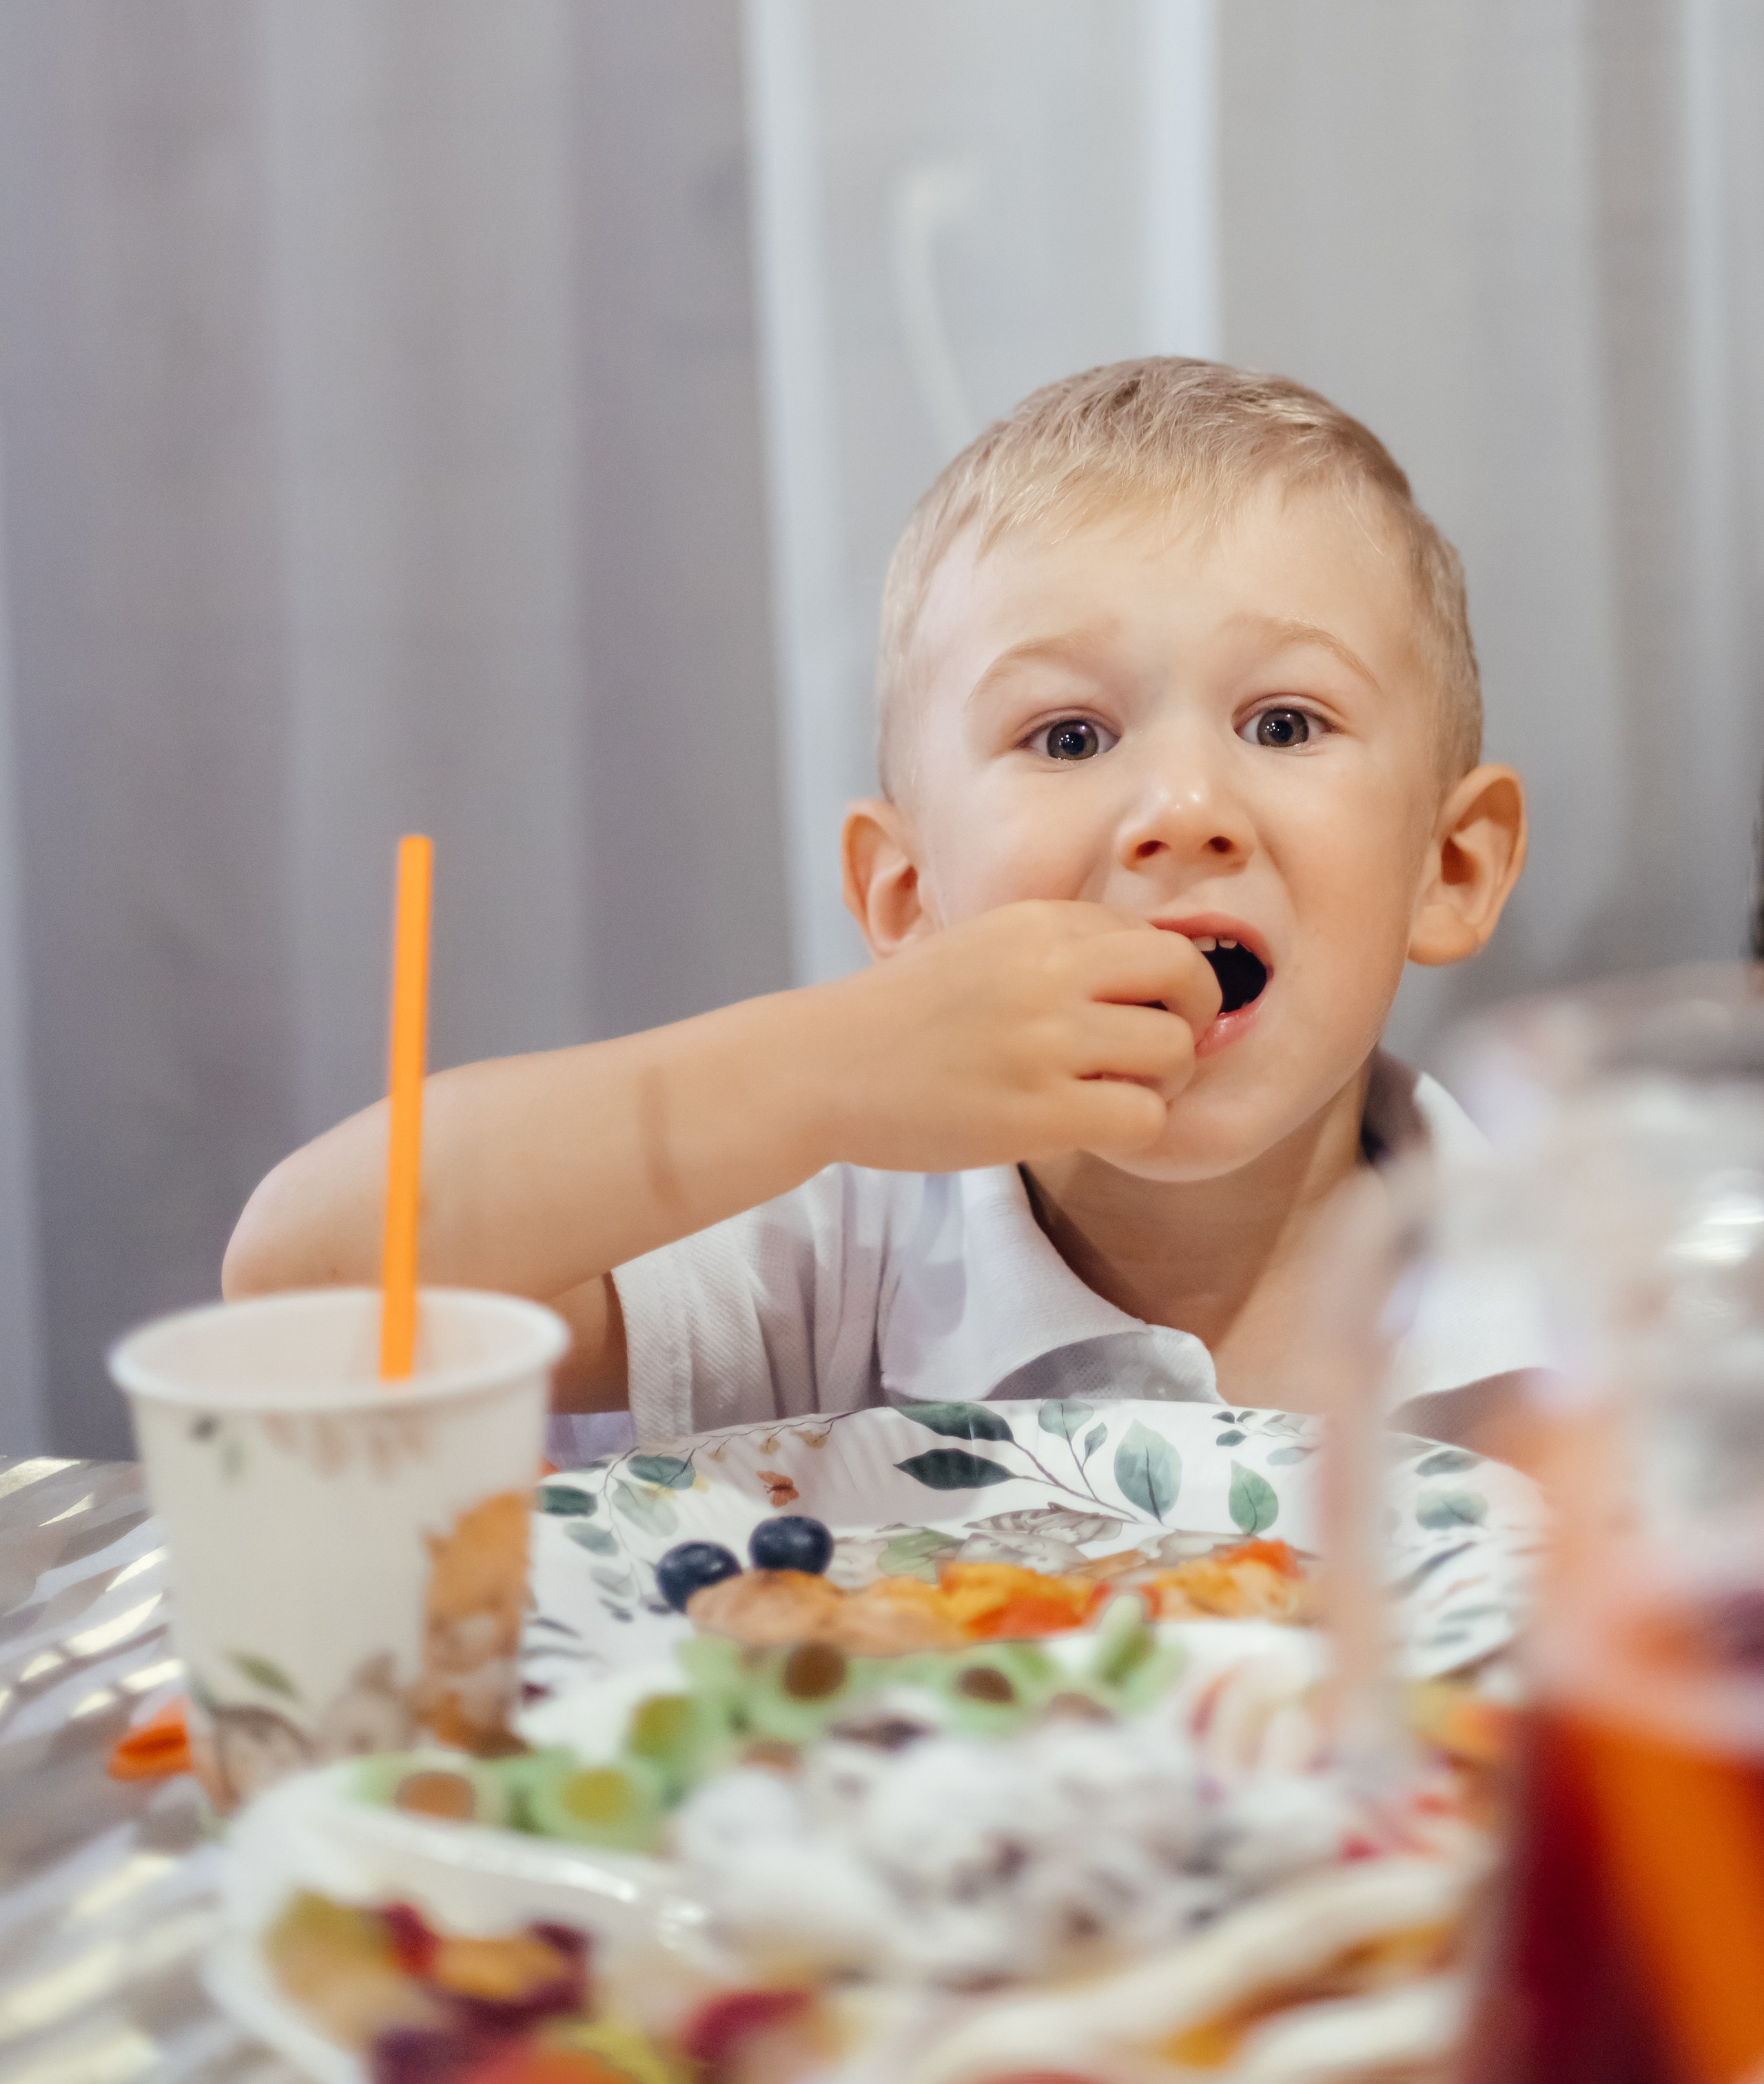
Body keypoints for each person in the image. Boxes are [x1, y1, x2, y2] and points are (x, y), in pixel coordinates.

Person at [224, 359, 1528, 1447]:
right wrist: (827, 1066)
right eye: (1069, 736)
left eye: (1284, 722)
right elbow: (300, 1284)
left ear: (1451, 867)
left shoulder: (1575, 1296)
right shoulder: (836, 1256)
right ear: (909, 900)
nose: (1183, 808)